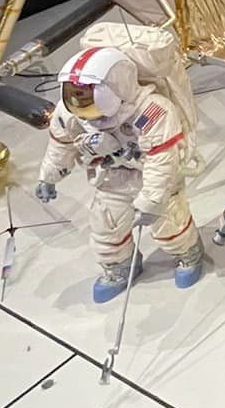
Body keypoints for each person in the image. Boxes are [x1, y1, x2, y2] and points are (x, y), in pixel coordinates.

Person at [35, 43, 205, 302]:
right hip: (111, 177)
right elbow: (61, 145)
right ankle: (120, 267)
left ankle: (188, 253)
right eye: (75, 96)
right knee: (106, 226)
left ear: (115, 89)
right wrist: (49, 176)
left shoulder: (152, 111)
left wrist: (151, 200)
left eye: (88, 97)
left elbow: (162, 160)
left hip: (152, 176)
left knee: (169, 221)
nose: (82, 106)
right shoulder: (69, 114)